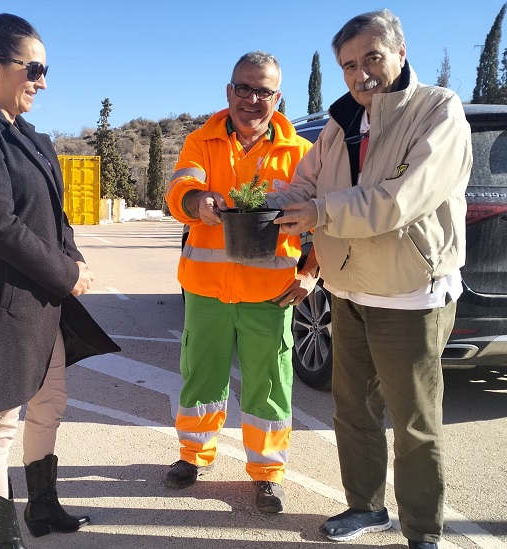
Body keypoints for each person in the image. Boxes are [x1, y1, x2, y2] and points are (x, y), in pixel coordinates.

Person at [268, 9, 471, 549]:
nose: (361, 74)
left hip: (409, 292)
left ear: (400, 54)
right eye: (348, 65)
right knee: (353, 409)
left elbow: (401, 199)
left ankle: (423, 531)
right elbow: (303, 185)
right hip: (346, 289)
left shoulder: (437, 111)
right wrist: (261, 208)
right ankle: (365, 507)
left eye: (372, 58)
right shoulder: (339, 126)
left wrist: (320, 214)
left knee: (413, 421)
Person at [0, 7, 119, 548]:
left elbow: (54, 218)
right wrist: (66, 274)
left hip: (44, 305)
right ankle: (3, 538)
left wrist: (75, 259)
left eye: (46, 70)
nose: (42, 81)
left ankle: (43, 508)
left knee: (48, 406)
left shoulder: (34, 138)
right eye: (32, 69)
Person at [163, 51, 318, 513]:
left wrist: (310, 275)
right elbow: (178, 193)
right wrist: (197, 202)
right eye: (243, 88)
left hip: (270, 296)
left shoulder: (301, 154)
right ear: (229, 91)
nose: (252, 99)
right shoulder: (201, 142)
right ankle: (193, 455)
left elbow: (326, 224)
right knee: (200, 376)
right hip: (206, 288)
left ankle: (268, 472)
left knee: (269, 384)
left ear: (278, 97)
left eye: (263, 91)